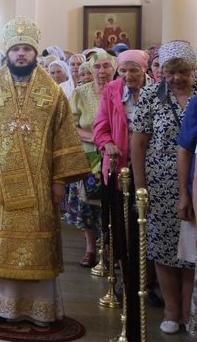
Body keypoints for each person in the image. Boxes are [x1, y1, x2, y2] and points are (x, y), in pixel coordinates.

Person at [0, 17, 90, 327]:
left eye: (27, 49)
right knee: (0, 243)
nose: (22, 54)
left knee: (38, 245)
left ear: (35, 52)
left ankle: (39, 309)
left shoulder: (52, 92)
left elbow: (63, 137)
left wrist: (59, 180)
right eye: (16, 49)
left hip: (40, 185)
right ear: (8, 53)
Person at [131, 40, 197, 334]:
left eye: (183, 71)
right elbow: (139, 142)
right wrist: (140, 186)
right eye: (170, 72)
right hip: (159, 183)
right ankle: (171, 310)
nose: (177, 78)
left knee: (191, 248)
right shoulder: (150, 95)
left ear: (193, 69)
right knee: (163, 247)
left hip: (195, 181)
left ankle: (188, 311)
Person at [92, 49, 150, 342]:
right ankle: (128, 280)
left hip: (149, 172)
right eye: (123, 71)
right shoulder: (113, 90)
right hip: (118, 171)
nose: (127, 77)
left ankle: (145, 283)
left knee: (144, 234)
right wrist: (107, 144)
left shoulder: (156, 91)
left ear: (145, 71)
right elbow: (100, 127)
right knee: (122, 233)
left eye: (133, 71)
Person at [66, 52, 116, 268]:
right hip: (89, 155)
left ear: (114, 68)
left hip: (116, 155)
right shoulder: (80, 93)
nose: (102, 71)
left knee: (113, 203)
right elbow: (70, 125)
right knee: (88, 205)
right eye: (97, 67)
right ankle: (90, 249)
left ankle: (112, 248)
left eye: (106, 66)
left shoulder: (120, 90)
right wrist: (97, 139)